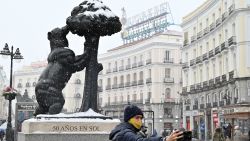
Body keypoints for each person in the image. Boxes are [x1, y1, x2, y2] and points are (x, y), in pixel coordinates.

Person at [109, 105, 183, 141]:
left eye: (141, 118)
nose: (140, 120)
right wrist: (164, 140)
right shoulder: (126, 133)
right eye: (137, 118)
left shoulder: (129, 131)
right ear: (129, 119)